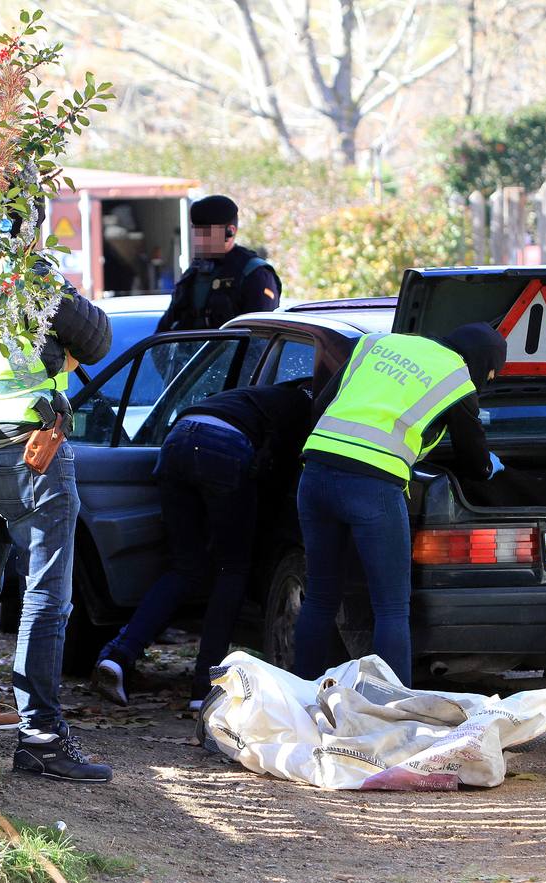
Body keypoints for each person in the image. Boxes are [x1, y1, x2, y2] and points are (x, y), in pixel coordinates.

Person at [0, 204, 115, 783]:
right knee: (45, 599)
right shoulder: (28, 273)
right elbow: (96, 341)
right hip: (33, 451)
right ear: (26, 220)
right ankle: (40, 737)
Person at [293, 324, 507, 687]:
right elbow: (474, 459)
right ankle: (392, 708)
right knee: (391, 609)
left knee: (320, 597)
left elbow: (320, 403)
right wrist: (490, 466)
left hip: (314, 475)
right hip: (373, 488)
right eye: (490, 373)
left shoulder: (375, 343)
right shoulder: (457, 378)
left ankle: (299, 699)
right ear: (484, 362)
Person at [92, 379, 315, 709]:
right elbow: (282, 477)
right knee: (233, 569)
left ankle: (119, 655)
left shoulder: (258, 396)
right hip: (225, 447)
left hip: (179, 436)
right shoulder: (306, 410)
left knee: (185, 568)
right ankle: (205, 688)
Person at [156, 195, 280, 332]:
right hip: (191, 353)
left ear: (230, 231)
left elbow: (260, 338)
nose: (201, 240)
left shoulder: (255, 274)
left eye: (208, 233)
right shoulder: (194, 273)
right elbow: (165, 328)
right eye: (198, 232)